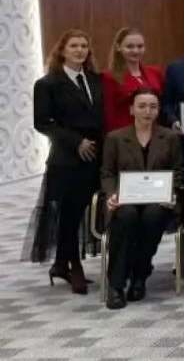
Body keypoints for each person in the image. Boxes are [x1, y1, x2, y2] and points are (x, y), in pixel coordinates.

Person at [30, 29, 105, 294]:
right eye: (74, 45)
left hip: (95, 156)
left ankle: (61, 264)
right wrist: (76, 142)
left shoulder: (96, 80)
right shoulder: (48, 84)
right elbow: (42, 123)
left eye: (84, 45)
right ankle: (74, 266)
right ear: (62, 50)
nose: (80, 50)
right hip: (66, 159)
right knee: (69, 214)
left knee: (87, 212)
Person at [99, 88, 182, 308]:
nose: (148, 111)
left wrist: (171, 194)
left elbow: (178, 173)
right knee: (126, 216)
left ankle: (139, 275)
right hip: (125, 200)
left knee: (153, 216)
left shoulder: (170, 137)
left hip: (158, 201)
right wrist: (111, 194)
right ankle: (116, 286)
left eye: (153, 107)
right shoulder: (115, 138)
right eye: (142, 106)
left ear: (158, 111)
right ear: (131, 110)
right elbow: (107, 173)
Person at [100, 27, 164, 133]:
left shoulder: (155, 72)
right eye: (130, 47)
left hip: (154, 134)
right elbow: (109, 114)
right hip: (124, 136)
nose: (135, 51)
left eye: (140, 46)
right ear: (118, 47)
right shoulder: (109, 77)